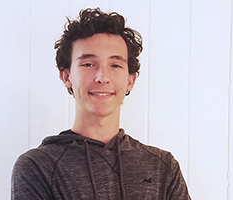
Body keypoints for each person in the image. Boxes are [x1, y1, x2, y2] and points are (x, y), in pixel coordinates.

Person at [11, 8, 191, 200]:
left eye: (115, 65)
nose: (102, 77)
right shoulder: (38, 167)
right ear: (66, 76)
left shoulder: (162, 167)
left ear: (130, 80)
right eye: (88, 64)